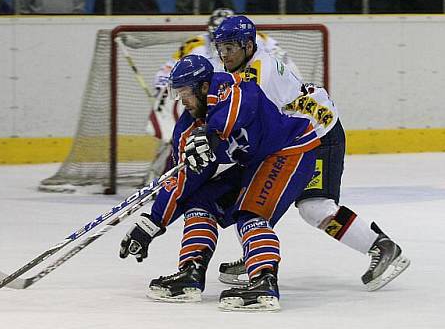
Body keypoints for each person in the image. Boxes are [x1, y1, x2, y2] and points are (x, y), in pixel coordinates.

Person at [209, 16, 410, 292]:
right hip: (294, 137)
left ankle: (382, 247)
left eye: (230, 47)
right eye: (220, 48)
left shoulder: (259, 75)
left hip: (319, 135)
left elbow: (251, 123)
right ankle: (257, 254)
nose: (224, 55)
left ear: (247, 45)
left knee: (314, 208)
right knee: (252, 196)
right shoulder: (252, 64)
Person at [119, 54, 321, 311]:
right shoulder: (187, 129)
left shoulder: (230, 87)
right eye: (177, 94)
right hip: (254, 163)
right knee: (199, 201)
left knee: (250, 214)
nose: (182, 101)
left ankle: (263, 282)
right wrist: (151, 223)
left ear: (204, 87)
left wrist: (211, 133)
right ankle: (190, 273)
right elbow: (183, 181)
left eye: (185, 93)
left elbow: (243, 104)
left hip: (290, 150)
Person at [146, 9, 300, 180]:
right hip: (211, 98)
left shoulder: (261, 45)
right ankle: (165, 173)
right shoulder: (195, 45)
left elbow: (286, 68)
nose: (223, 53)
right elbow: (167, 72)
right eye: (219, 44)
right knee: (178, 126)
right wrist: (166, 90)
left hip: (252, 107)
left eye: (229, 46)